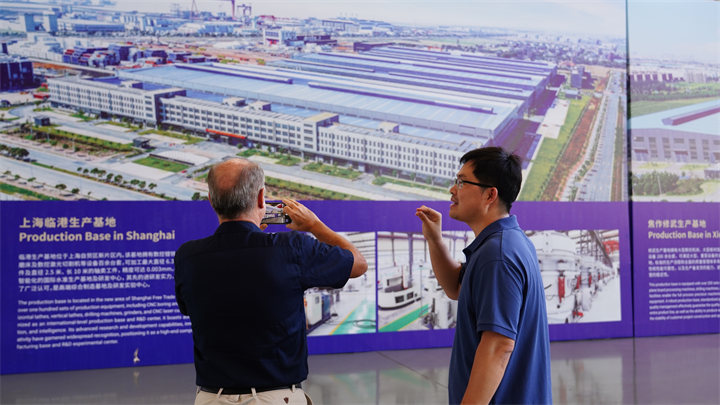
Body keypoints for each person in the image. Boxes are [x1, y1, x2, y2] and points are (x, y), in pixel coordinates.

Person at [174, 158, 367, 405]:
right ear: (260, 198)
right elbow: (358, 263)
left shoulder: (188, 256)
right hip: (275, 397)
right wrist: (314, 225)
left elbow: (189, 307)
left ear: (211, 200)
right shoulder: (291, 248)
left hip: (211, 397)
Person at [415, 147, 551, 404]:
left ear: (490, 194)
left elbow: (499, 346)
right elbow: (456, 288)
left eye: (462, 182)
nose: (452, 190)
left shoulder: (497, 255)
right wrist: (435, 240)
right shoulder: (504, 242)